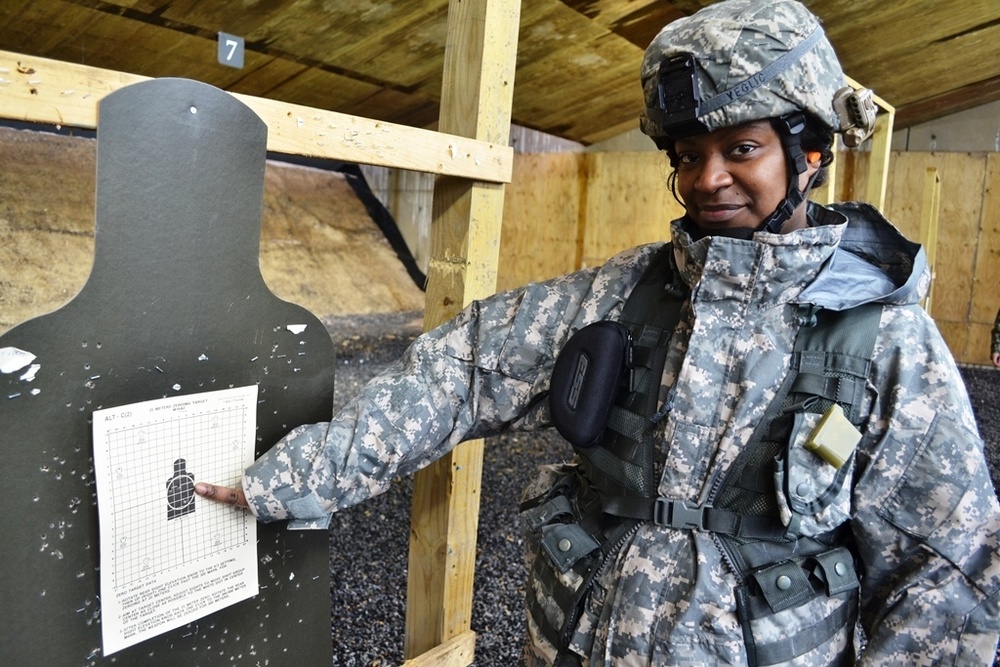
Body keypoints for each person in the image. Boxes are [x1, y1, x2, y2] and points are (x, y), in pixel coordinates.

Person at [196, 1, 1000, 664]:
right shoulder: (627, 291)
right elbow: (464, 368)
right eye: (688, 155)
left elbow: (944, 579)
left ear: (811, 150)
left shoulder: (887, 343)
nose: (707, 179)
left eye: (742, 148)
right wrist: (292, 476)